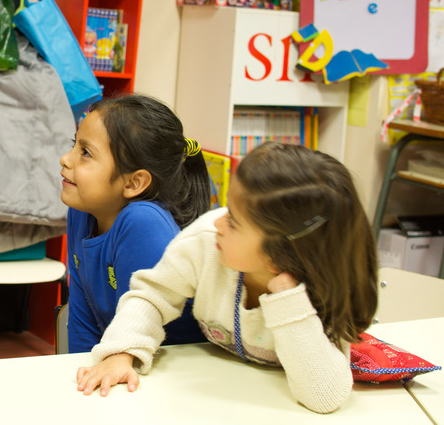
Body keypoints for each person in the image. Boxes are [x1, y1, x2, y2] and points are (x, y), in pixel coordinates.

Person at [75, 141, 378, 414]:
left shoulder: (325, 290)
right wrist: (122, 350)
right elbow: (152, 295)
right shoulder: (206, 241)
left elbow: (324, 397)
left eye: (234, 220)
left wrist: (286, 295)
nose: (218, 221)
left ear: (277, 256)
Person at [60, 94, 212, 354]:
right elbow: (83, 316)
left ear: (133, 183)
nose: (66, 158)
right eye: (74, 145)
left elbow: (136, 335)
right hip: (121, 361)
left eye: (85, 152)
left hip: (169, 368)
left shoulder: (143, 223)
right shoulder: (82, 210)